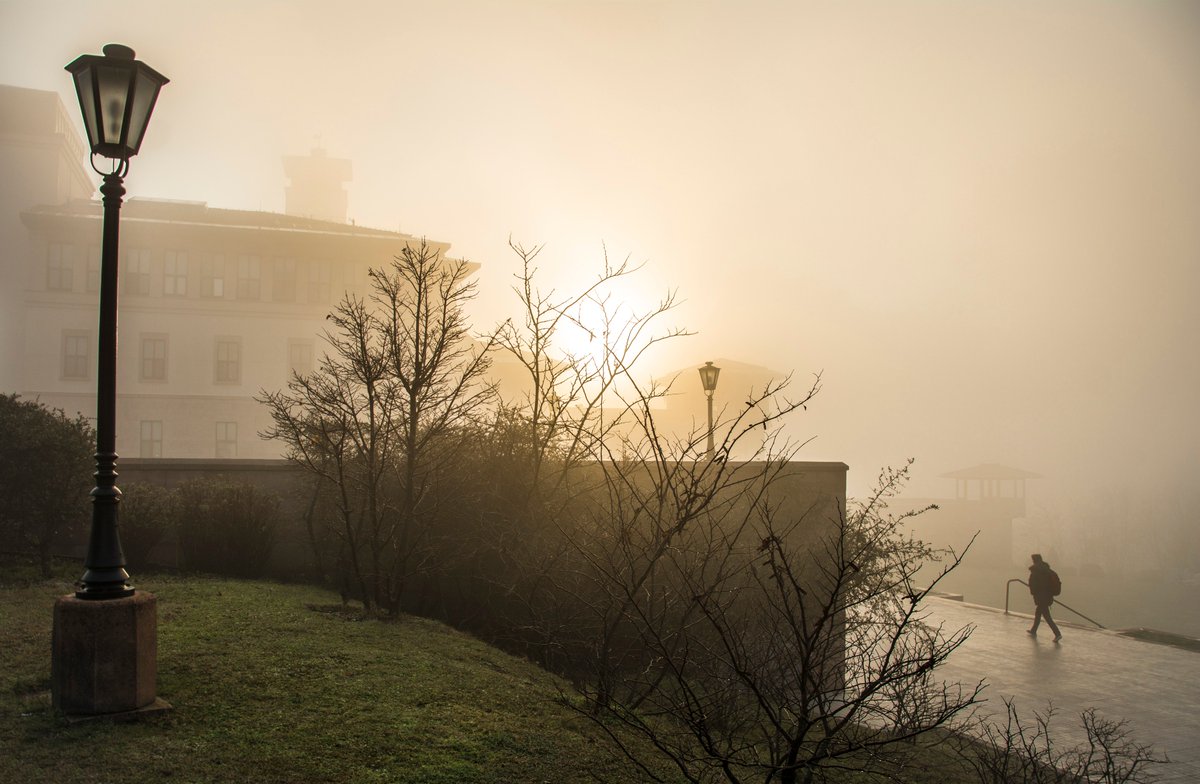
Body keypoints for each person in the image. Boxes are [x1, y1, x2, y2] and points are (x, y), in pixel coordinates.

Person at [1027, 553, 1062, 641]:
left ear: (1034, 560)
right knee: (1038, 613)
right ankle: (1033, 630)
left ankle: (1057, 634)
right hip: (1048, 596)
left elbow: (1034, 585)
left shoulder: (1036, 571)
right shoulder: (1047, 570)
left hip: (1041, 597)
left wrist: (1033, 591)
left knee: (1047, 616)